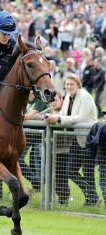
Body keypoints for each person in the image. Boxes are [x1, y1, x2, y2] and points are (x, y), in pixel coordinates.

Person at [44, 73, 101, 206]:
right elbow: (63, 115)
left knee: (88, 172)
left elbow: (80, 118)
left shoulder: (85, 97)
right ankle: (93, 196)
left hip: (89, 138)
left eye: (72, 84)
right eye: (67, 84)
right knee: (70, 170)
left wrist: (58, 119)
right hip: (76, 137)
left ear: (78, 84)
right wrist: (51, 116)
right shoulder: (68, 96)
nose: (69, 87)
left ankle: (91, 200)